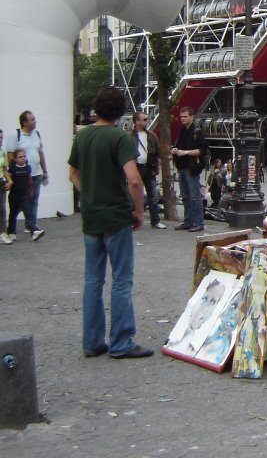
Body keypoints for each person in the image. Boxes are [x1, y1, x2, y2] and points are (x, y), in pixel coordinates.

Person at [68, 85, 152, 359]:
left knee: (93, 279)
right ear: (120, 111)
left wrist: (89, 195)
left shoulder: (83, 137)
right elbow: (134, 179)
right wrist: (138, 211)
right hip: (116, 215)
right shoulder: (119, 139)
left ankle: (92, 341)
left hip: (92, 215)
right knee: (121, 279)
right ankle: (121, 341)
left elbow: (73, 174)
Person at [6, 110, 49, 242]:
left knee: (33, 200)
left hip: (35, 173)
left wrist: (45, 171)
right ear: (25, 122)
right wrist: (14, 172)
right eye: (32, 120)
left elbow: (40, 153)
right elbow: (10, 155)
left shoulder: (37, 134)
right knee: (21, 203)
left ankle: (31, 227)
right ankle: (17, 227)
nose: (35, 121)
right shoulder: (16, 135)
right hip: (21, 176)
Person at [171, 107, 207, 233]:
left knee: (195, 196)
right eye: (181, 117)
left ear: (192, 117)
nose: (183, 119)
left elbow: (201, 150)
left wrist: (185, 152)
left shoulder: (197, 132)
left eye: (185, 116)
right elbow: (179, 146)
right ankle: (188, 221)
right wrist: (175, 150)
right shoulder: (182, 131)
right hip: (182, 167)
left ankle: (198, 223)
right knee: (185, 196)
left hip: (192, 168)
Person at [132, 112, 165, 229]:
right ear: (137, 122)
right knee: (134, 195)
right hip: (136, 168)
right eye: (144, 119)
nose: (147, 121)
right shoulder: (130, 136)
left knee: (152, 195)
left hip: (149, 167)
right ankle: (134, 220)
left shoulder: (152, 136)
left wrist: (157, 166)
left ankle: (155, 221)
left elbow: (158, 152)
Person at [7, 149, 36, 242]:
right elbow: (9, 178)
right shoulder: (12, 168)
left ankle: (34, 231)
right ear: (15, 159)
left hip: (25, 195)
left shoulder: (27, 167)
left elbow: (29, 179)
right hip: (14, 195)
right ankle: (11, 232)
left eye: (24, 156)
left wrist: (31, 190)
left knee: (28, 213)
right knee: (13, 213)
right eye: (20, 157)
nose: (23, 158)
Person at [0, 130, 10, 245]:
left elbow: (5, 169)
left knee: (2, 208)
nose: (0, 140)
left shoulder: (2, 150)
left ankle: (3, 233)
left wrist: (9, 181)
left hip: (1, 182)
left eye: (2, 137)